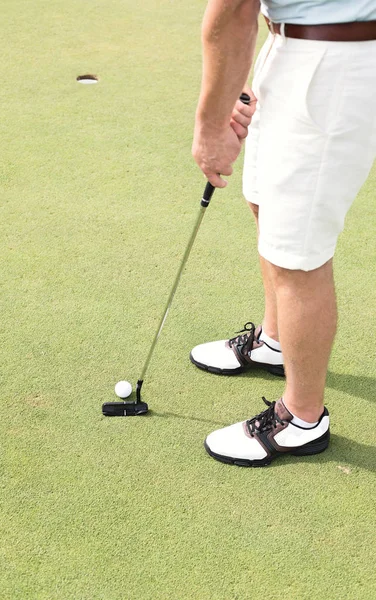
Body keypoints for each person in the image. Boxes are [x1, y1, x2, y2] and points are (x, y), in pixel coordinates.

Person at [192, 0, 376, 467]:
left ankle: (302, 418)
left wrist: (210, 126)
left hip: (332, 63)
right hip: (294, 47)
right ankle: (274, 343)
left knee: (297, 251)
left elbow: (232, 13)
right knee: (264, 203)